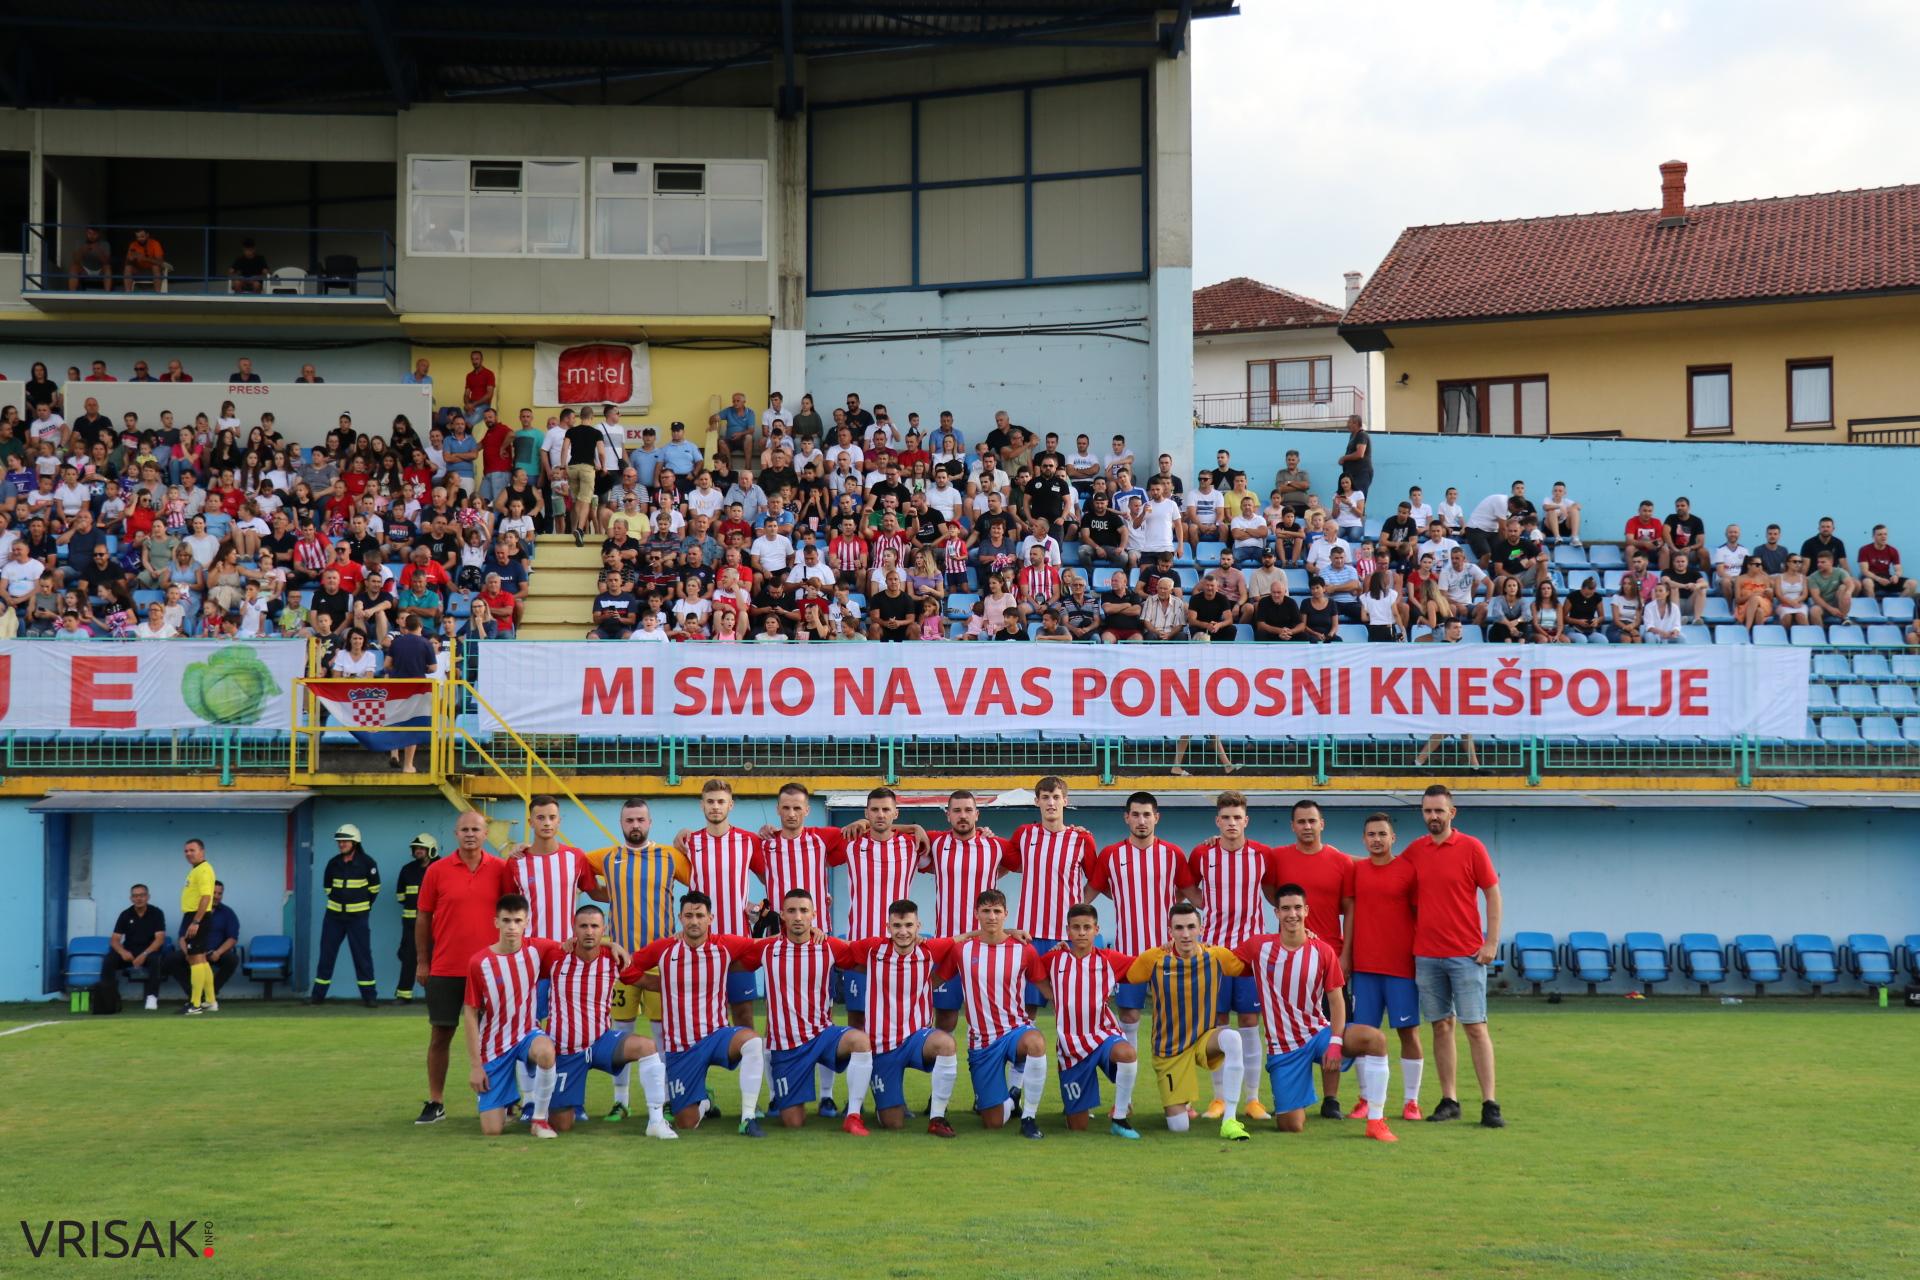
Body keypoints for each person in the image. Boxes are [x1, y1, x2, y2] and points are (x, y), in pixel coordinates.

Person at [1238, 884, 1395, 1141]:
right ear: (1276, 913)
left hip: (1318, 1035)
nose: (1292, 914)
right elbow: (1225, 960)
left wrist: (1334, 1042)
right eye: (1286, 909)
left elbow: (1336, 1001)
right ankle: (1297, 1094)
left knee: (1375, 1039)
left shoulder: (1322, 951)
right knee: (1291, 1126)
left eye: (1298, 908)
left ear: (1306, 910)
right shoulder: (1258, 947)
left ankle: (1376, 1121)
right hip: (1284, 1049)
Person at [617, 891, 769, 1136]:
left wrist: (812, 934)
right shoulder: (665, 949)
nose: (694, 921)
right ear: (680, 918)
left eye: (700, 915)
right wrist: (658, 983)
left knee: (752, 1041)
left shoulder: (725, 945)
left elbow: (763, 947)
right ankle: (705, 1102)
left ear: (711, 918)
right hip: (681, 1047)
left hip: (717, 1036)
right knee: (686, 1122)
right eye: (689, 915)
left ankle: (748, 1117)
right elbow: (627, 970)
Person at [581, 797, 691, 1121]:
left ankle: (668, 1098)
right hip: (620, 960)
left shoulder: (671, 858)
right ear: (621, 824)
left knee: (662, 1033)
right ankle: (621, 1101)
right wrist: (604, 894)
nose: (635, 826)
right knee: (621, 1033)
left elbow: (701, 880)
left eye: (640, 820)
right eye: (629, 820)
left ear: (650, 822)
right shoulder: (607, 857)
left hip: (660, 960)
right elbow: (580, 869)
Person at [733, 890, 875, 1134]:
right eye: (791, 911)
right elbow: (727, 957)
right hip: (788, 1048)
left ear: (814, 915)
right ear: (783, 917)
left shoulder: (829, 946)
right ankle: (783, 1098)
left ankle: (853, 1114)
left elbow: (868, 954)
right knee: (793, 1122)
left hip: (823, 1036)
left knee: (860, 1041)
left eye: (803, 911)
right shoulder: (767, 948)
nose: (798, 917)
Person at [1404, 785, 1504, 1128]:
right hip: (1427, 955)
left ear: (1452, 813)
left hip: (1467, 955)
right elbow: (1384, 869)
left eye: (1439, 811)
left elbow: (1492, 893)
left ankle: (1490, 1102)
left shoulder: (1472, 847)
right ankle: (1450, 1100)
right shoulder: (1415, 851)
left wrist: (1491, 942)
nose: (1433, 817)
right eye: (1428, 811)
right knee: (1441, 1027)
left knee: (1475, 1027)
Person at [413, 811, 518, 1125]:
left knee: (498, 1039)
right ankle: (436, 1101)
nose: (470, 834)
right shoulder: (437, 871)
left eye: (476, 829)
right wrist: (422, 960)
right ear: (455, 834)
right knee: (441, 1033)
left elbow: (515, 916)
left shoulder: (501, 869)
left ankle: (503, 1101)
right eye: (464, 829)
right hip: (446, 967)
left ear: (486, 834)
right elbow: (423, 918)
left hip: (490, 969)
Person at [1123, 902, 1253, 1139]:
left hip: (1205, 1039)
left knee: (1233, 1038)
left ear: (1201, 928)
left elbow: (1255, 959)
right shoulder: (1153, 959)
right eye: (1179, 928)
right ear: (1170, 930)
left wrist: (1303, 938)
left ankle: (1230, 1120)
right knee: (1179, 1127)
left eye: (1191, 927)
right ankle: (1181, 1104)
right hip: (1169, 1049)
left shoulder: (1217, 956)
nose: (1185, 934)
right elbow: (1120, 970)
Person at [546, 904, 676, 1139]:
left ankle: (656, 1121)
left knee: (647, 1047)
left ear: (603, 929)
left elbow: (646, 981)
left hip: (601, 1043)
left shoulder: (612, 959)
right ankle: (545, 1103)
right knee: (562, 1125)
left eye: (594, 926)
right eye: (583, 926)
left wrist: (686, 985)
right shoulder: (555, 956)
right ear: (573, 928)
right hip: (566, 1050)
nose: (589, 931)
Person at [835, 899, 963, 1135]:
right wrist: (818, 933)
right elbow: (842, 948)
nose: (903, 932)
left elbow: (964, 939)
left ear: (918, 926)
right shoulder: (873, 948)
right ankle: (885, 1102)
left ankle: (937, 1118)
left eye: (908, 925)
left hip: (917, 1038)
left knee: (946, 1044)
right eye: (897, 926)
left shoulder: (930, 949)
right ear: (888, 926)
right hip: (882, 1046)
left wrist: (1011, 932)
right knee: (893, 1123)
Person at [1263, 798, 1356, 1118]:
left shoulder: (1340, 861)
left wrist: (1345, 953)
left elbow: (1350, 909)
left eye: (1311, 821)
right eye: (1300, 822)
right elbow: (1266, 884)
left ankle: (1332, 1099)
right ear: (1292, 826)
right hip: (1288, 964)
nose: (1306, 827)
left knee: (1331, 1028)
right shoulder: (1277, 857)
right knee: (1292, 1029)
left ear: (1321, 824)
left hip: (1328, 957)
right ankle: (1296, 1093)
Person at [1087, 791, 1199, 1054]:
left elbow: (1195, 896)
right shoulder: (1111, 855)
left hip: (1168, 953)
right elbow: (1086, 895)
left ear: (1156, 818)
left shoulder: (1173, 854)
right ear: (1126, 818)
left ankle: (1177, 1088)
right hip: (1128, 953)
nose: (1141, 820)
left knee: (1173, 1019)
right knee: (1128, 1018)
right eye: (1135, 814)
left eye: (1147, 815)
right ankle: (1126, 1093)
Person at [931, 889, 1047, 1137]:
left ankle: (1029, 1117)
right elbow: (934, 980)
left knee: (1036, 1042)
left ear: (1006, 914)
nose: (991, 916)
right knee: (993, 1122)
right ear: (977, 914)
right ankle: (1011, 1099)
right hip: (982, 1041)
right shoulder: (962, 950)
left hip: (1016, 1030)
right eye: (986, 911)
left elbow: (1047, 987)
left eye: (996, 911)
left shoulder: (1024, 950)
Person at [1025, 904, 1141, 1138]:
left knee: (1127, 1053)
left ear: (1096, 930)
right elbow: (1031, 970)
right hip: (1071, 1047)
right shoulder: (1054, 959)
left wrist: (1167, 949)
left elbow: (1143, 965)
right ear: (1067, 931)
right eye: (1076, 927)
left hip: (1102, 1035)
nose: (1081, 932)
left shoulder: (1110, 959)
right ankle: (1077, 1108)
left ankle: (1120, 1116)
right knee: (1077, 1127)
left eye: (1087, 927)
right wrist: (1050, 994)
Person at [463, 894, 563, 1137]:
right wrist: (476, 1066)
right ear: (496, 922)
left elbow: (578, 945)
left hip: (527, 1033)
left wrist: (610, 945)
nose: (512, 927)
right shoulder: (479, 962)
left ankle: (539, 1119)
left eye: (517, 921)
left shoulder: (538, 949)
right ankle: (507, 1102)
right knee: (492, 1130)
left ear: (526, 922)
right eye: (506, 920)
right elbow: (470, 1013)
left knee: (547, 1052)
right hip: (494, 1045)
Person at [1347, 812, 1425, 1122]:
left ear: (1393, 838)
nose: (1377, 839)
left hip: (1401, 967)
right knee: (1365, 1035)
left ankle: (1411, 1101)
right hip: (1365, 967)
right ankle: (1365, 1098)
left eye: (1382, 834)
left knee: (1408, 1032)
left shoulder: (1408, 871)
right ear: (1364, 840)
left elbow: (1421, 915)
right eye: (1371, 834)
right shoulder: (1356, 870)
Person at [1001, 776, 1097, 1020]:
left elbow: (1095, 880)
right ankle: (1024, 1059)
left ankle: (1072, 1056)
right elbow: (1006, 862)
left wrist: (1077, 907)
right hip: (1031, 935)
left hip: (1069, 936)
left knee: (1070, 1007)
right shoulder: (1024, 834)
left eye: (1056, 797)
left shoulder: (1082, 839)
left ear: (1065, 801)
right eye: (1045, 798)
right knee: (1026, 1008)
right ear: (1037, 802)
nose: (1051, 803)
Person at [674, 779, 765, 1028]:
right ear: (702, 805)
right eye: (711, 801)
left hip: (739, 943)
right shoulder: (688, 843)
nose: (716, 807)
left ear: (731, 805)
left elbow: (773, 880)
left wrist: (761, 910)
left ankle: (751, 1068)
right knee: (701, 1019)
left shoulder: (748, 841)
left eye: (721, 802)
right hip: (700, 945)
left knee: (745, 1017)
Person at [312, 823, 382, 1007]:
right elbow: (328, 888)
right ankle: (317, 996)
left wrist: (360, 907)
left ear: (355, 842)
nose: (341, 844)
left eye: (345, 841)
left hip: (358, 919)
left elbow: (374, 889)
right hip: (333, 918)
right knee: (326, 956)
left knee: (362, 957)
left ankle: (370, 997)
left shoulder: (368, 863)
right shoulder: (333, 863)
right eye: (339, 841)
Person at [170, 880, 239, 1006]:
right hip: (194, 951)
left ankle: (212, 993)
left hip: (215, 952)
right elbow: (182, 937)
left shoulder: (227, 913)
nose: (217, 896)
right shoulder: (193, 912)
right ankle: (194, 995)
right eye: (214, 893)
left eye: (220, 893)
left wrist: (218, 952)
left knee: (232, 960)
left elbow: (232, 938)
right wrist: (187, 953)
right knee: (173, 959)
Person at [393, 833, 439, 1002]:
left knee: (437, 960)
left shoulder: (441, 868)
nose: (418, 851)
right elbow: (401, 897)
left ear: (431, 850)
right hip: (411, 925)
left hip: (436, 926)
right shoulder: (407, 870)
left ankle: (435, 997)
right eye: (416, 848)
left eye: (422, 848)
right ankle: (403, 995)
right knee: (409, 958)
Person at [107, 884, 168, 1009]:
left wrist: (144, 954)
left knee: (155, 959)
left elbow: (160, 939)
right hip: (129, 952)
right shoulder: (125, 914)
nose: (139, 898)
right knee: (109, 960)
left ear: (148, 897)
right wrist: (122, 952)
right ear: (131, 898)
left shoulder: (156, 913)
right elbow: (115, 940)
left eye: (142, 895)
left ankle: (152, 997)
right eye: (135, 896)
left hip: (150, 951)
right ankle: (108, 995)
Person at [176, 839, 219, 1015]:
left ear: (202, 851)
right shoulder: (196, 870)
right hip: (193, 916)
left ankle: (195, 1003)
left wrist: (196, 921)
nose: (188, 853)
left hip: (197, 916)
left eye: (192, 850)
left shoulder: (204, 870)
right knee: (201, 959)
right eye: (186, 851)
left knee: (194, 958)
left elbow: (206, 897)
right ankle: (210, 1001)